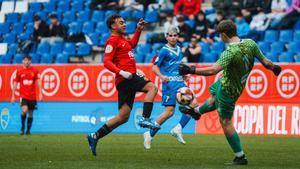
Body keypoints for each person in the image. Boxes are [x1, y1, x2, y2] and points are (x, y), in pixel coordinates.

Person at [178, 20, 282, 165]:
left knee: (225, 121)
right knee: (214, 98)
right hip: (227, 82)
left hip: (230, 89)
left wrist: (191, 70)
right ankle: (196, 112)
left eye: (220, 34)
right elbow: (266, 62)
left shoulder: (230, 52)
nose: (219, 37)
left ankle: (240, 156)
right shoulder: (250, 43)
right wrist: (275, 68)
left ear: (224, 34)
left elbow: (212, 70)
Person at [87, 14, 159, 156]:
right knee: (153, 87)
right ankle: (144, 118)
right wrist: (121, 72)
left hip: (127, 78)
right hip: (126, 77)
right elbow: (106, 62)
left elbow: (131, 44)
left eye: (124, 22)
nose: (124, 24)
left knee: (123, 117)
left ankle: (94, 136)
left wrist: (138, 30)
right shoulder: (112, 41)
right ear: (113, 26)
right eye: (121, 23)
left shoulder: (122, 40)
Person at [143, 26, 194, 149]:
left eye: (175, 35)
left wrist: (184, 76)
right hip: (169, 84)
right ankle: (149, 134)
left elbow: (177, 67)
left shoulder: (180, 49)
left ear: (178, 36)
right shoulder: (164, 50)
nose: (173, 37)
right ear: (167, 37)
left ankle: (178, 129)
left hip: (180, 83)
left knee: (193, 105)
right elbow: (154, 67)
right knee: (169, 112)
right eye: (170, 35)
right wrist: (162, 77)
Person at [11, 55, 43, 135]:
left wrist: (40, 93)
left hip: (32, 96)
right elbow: (15, 83)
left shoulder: (35, 71)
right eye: (25, 60)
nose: (26, 62)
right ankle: (22, 127)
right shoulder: (19, 71)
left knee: (31, 113)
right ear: (22, 61)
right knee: (24, 110)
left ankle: (28, 130)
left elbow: (39, 82)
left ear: (30, 61)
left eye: (28, 60)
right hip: (23, 96)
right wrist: (13, 96)